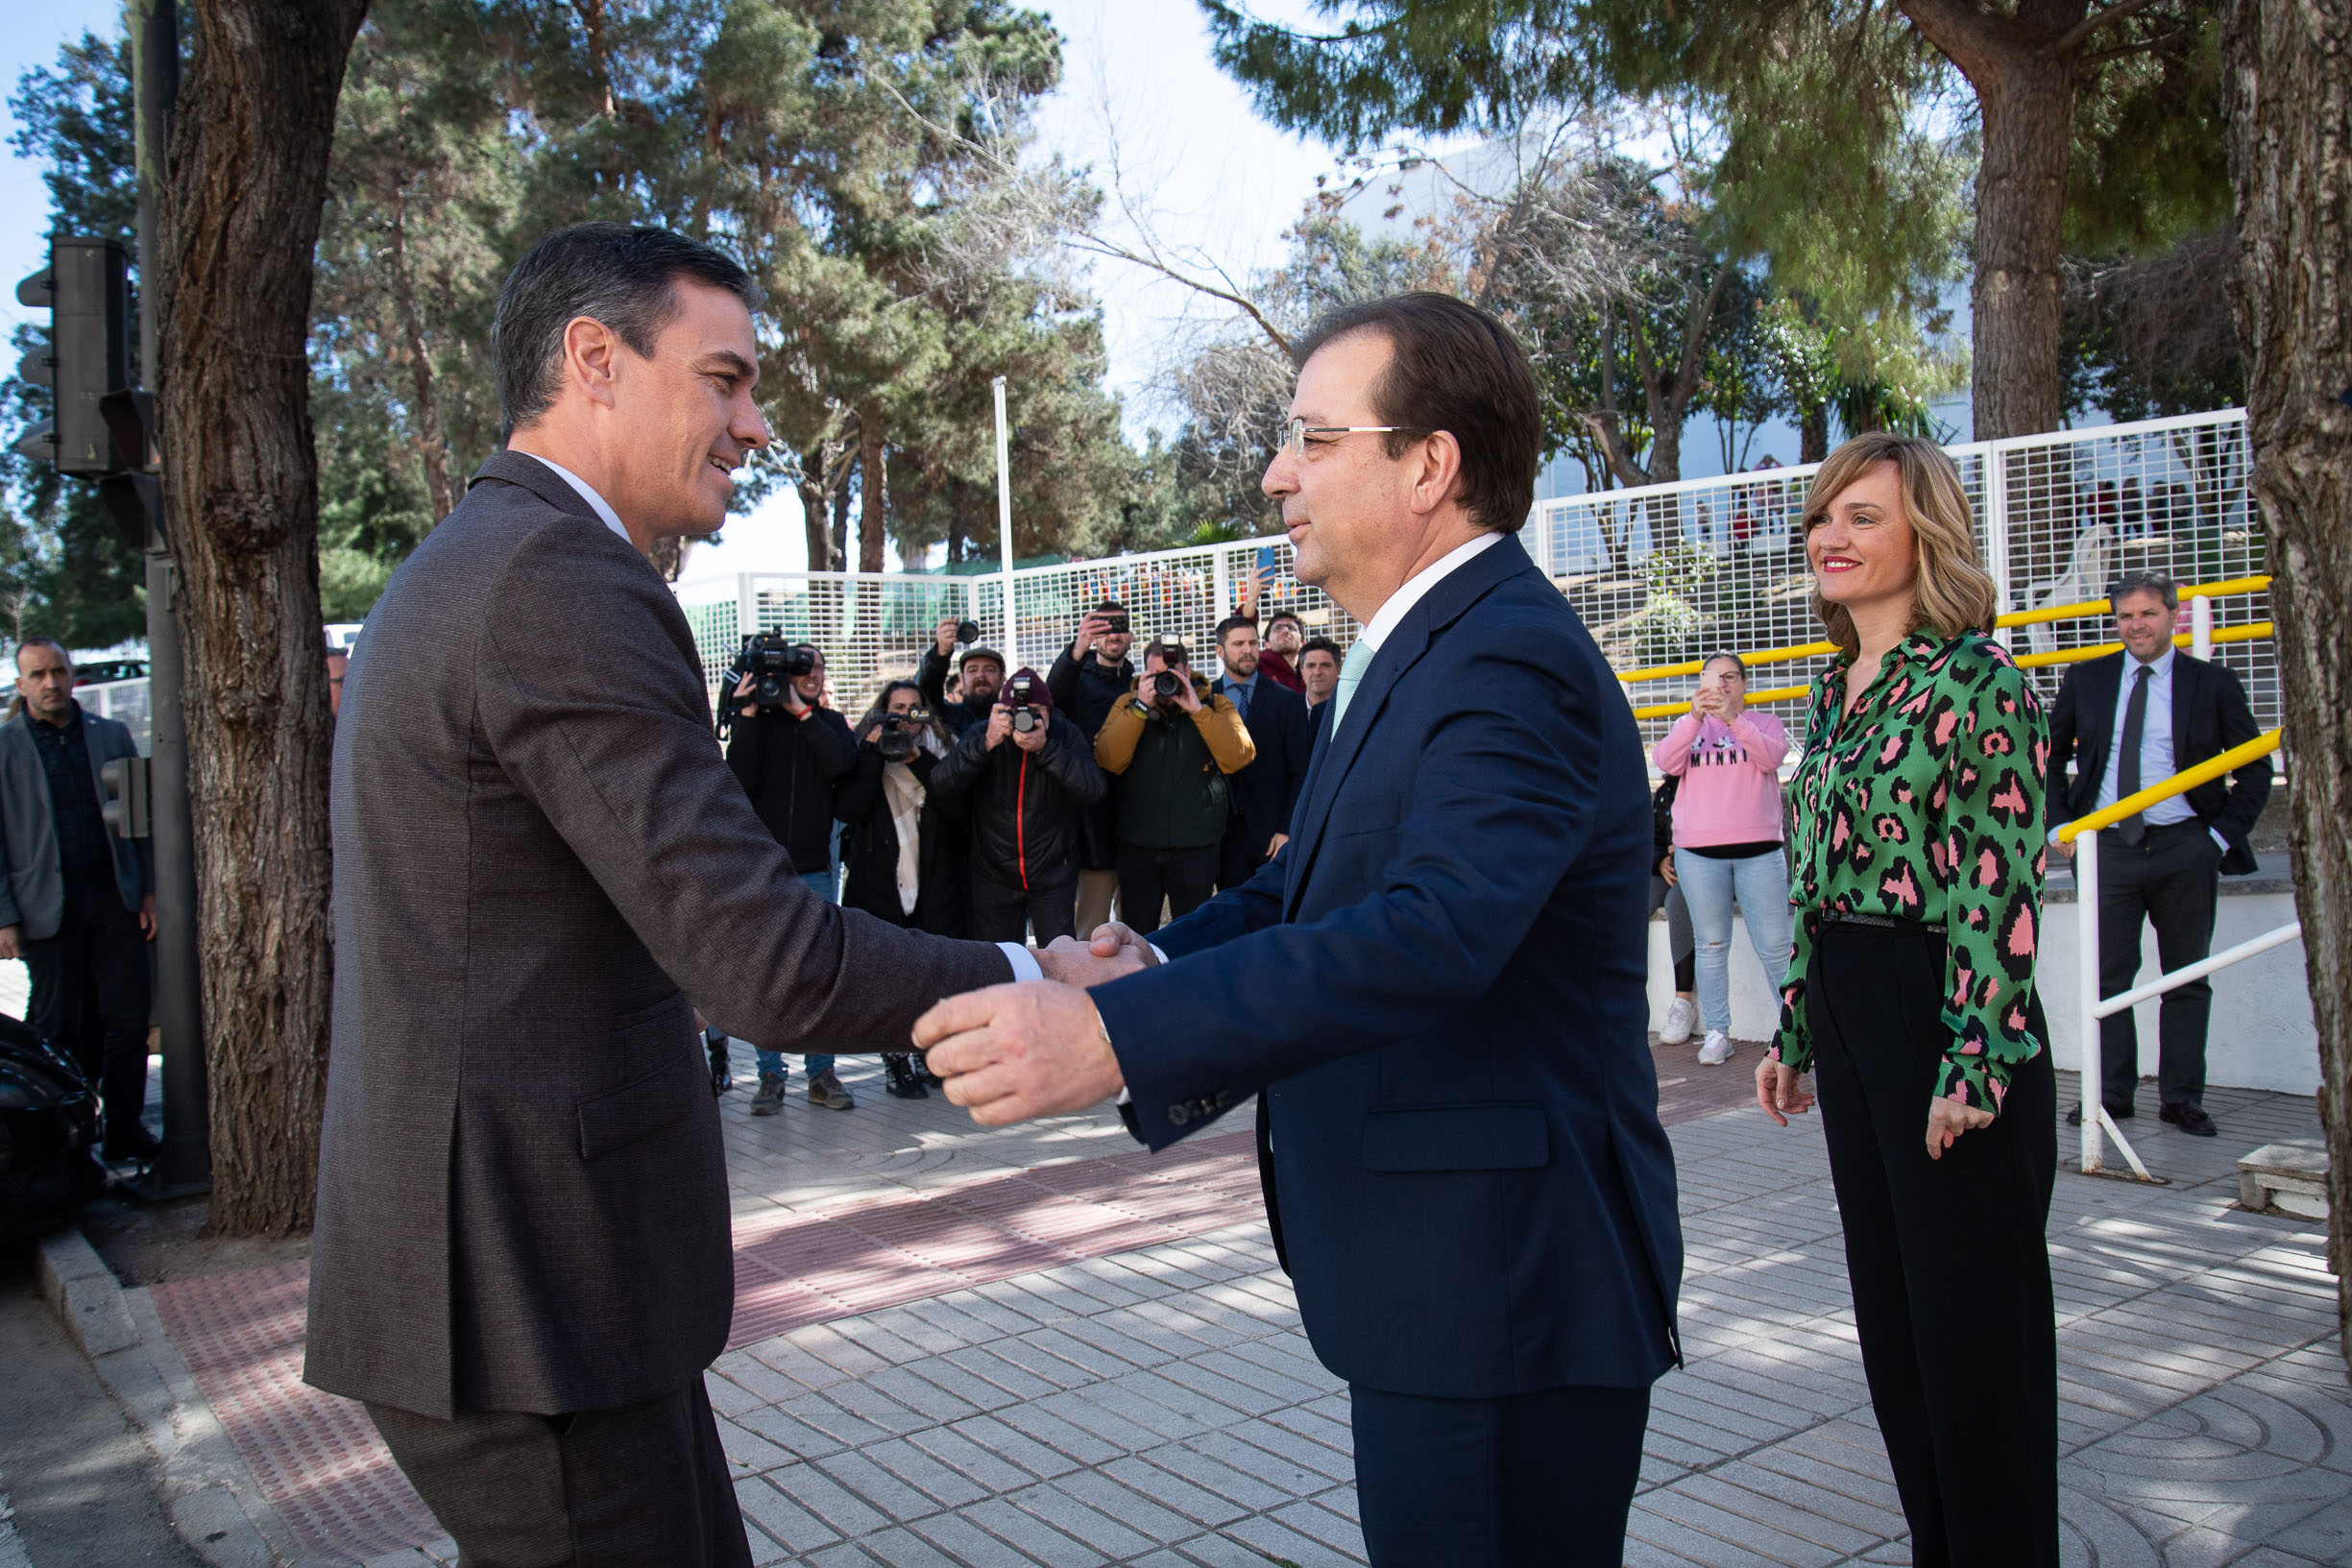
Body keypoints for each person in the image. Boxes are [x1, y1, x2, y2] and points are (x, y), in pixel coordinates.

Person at [304, 223, 1077, 1568]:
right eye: (723, 378)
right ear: (594, 361)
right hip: (522, 1292)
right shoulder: (556, 579)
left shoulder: (489, 559)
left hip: (515, 1278)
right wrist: (1032, 979)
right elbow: (762, 961)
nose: (755, 423)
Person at [915, 292, 1684, 1567]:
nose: (1277, 473)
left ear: (1429, 463)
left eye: (1314, 439)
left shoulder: (1508, 660)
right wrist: (1149, 961)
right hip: (1442, 1280)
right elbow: (1302, 891)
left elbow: (1433, 933)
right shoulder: (1409, 651)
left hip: (1502, 1283)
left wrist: (1119, 1041)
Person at [1757, 432, 2057, 1568]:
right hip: (1849, 999)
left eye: (1862, 517)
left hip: (1943, 1012)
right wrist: (1794, 1028)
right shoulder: (1835, 689)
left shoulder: (1976, 680)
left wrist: (1973, 1064)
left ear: (1923, 533)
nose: (1830, 536)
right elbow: (1816, 878)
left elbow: (1998, 888)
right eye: (1824, 515)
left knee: (1978, 1349)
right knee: (1898, 1335)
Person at [2047, 569, 2270, 1138]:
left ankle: (2181, 1098)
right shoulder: (2088, 679)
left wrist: (2216, 840)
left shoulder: (2212, 684)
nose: (2136, 625)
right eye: (2125, 616)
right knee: (2109, 976)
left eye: (2147, 613)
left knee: (2187, 976)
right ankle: (2113, 1095)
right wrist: (2061, 827)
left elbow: (2254, 768)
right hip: (2109, 850)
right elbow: (2048, 758)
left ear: (2173, 616)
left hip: (2183, 848)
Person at [0, 638, 157, 1162]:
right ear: (21, 685)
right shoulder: (5, 748)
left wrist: (150, 890)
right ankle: (64, 1143)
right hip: (47, 911)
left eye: (59, 671)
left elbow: (141, 824)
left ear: (72, 674)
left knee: (128, 1021)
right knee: (58, 1028)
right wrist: (5, 917)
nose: (51, 683)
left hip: (115, 901)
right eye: (39, 675)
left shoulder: (110, 736)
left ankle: (126, 1130)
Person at [726, 645, 860, 1113]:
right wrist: (745, 714)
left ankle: (822, 1073)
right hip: (761, 869)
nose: (809, 675)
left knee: (820, 972)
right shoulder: (756, 722)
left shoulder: (830, 724)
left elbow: (842, 765)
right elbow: (737, 777)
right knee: (766, 974)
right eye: (799, 669)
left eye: (816, 667)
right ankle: (769, 1075)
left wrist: (804, 715)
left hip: (816, 869)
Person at [1650, 652, 1792, 1067]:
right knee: (1710, 945)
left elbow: (1770, 758)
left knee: (1775, 947)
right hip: (1699, 854)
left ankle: (1799, 1034)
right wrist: (1694, 718)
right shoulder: (1688, 727)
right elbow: (1665, 762)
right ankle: (1717, 1032)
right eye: (1712, 680)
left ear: (1744, 684)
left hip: (1760, 852)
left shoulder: (1764, 723)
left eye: (1730, 678)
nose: (1721, 687)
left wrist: (1734, 719)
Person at [837, 681, 968, 1098]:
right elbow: (850, 809)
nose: (906, 717)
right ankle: (896, 1062)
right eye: (897, 708)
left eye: (915, 709)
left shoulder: (942, 750)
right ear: (882, 713)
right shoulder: (863, 751)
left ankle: (930, 1056)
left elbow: (958, 807)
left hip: (935, 881)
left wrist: (919, 759)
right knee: (887, 978)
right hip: (879, 883)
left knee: (931, 974)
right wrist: (875, 753)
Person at [927, 666, 1106, 947]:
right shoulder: (984, 733)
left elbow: (1094, 788)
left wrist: (1046, 750)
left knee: (1058, 959)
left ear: (1050, 710)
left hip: (1052, 874)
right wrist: (985, 744)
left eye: (1037, 711)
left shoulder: (1064, 733)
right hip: (993, 873)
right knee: (999, 963)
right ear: (1003, 711)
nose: (1028, 719)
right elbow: (941, 783)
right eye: (1019, 711)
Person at [1091, 639, 1254, 936]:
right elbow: (1108, 759)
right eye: (1156, 675)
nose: (1166, 682)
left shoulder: (1215, 703)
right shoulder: (1127, 704)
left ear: (1188, 671)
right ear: (1143, 676)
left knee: (1192, 934)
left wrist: (1196, 708)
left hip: (1196, 844)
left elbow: (1240, 756)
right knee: (1136, 936)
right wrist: (1141, 707)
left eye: (1174, 674)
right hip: (1137, 844)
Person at [1047, 600, 1135, 934]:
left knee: (1135, 932)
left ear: (1131, 638)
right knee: (1089, 932)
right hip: (1091, 830)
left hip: (1137, 832)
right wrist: (1078, 647)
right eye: (1104, 626)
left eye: (1120, 626)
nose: (1113, 633)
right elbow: (1052, 700)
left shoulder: (1141, 685)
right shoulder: (1077, 679)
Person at [1209, 615, 1311, 892]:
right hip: (1219, 836)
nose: (1248, 650)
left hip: (1271, 835)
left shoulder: (1286, 700)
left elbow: (1301, 770)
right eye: (1239, 643)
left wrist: (1287, 828)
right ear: (1220, 651)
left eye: (1253, 643)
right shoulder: (1204, 700)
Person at [1650, 775, 1700, 1046]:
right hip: (1670, 867)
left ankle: (1684, 1001)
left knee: (1678, 903)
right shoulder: (1666, 791)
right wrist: (1660, 861)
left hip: (1708, 866)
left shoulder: (1712, 778)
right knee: (1636, 895)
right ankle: (1623, 993)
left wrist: (1685, 851)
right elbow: (1652, 839)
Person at [919, 620, 1004, 736]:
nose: (980, 675)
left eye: (989, 669)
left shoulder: (1014, 719)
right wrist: (940, 653)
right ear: (962, 679)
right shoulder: (947, 717)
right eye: (972, 670)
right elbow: (926, 690)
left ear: (1002, 678)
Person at [1256, 608, 1308, 692]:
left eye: (1291, 628)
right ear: (1267, 644)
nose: (1285, 631)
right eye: (1278, 628)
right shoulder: (1256, 669)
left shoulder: (1311, 671)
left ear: (1302, 643)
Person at [1297, 635, 1342, 715]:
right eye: (1311, 666)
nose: (1317, 672)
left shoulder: (1351, 707)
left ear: (1339, 669)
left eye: (1325, 665)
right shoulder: (1287, 710)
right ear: (1302, 671)